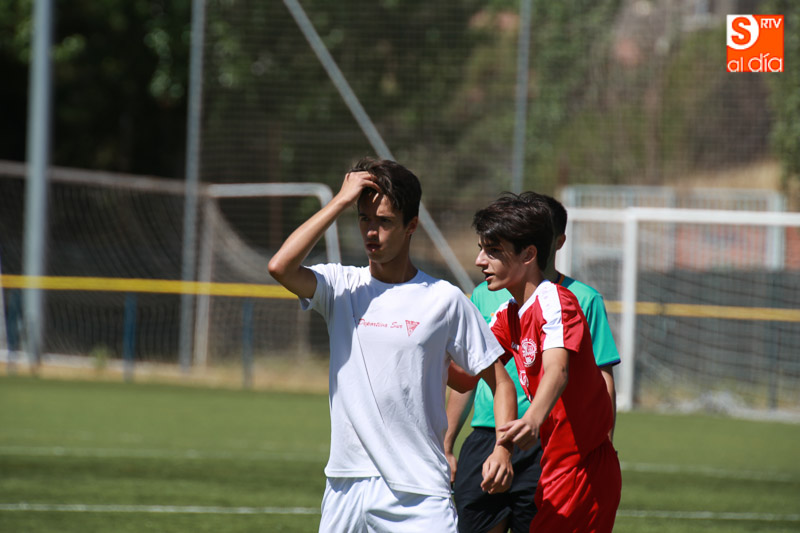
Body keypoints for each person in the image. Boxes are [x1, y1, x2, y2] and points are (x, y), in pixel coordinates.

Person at [267, 157, 518, 533]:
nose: (371, 232)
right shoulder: (341, 286)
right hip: (346, 485)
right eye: (364, 219)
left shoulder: (444, 299)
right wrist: (340, 200)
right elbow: (280, 267)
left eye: (384, 221)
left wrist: (502, 449)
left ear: (411, 226)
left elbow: (501, 383)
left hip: (419, 490)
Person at [444, 194, 621, 533]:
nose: (480, 261)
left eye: (493, 251)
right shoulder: (508, 315)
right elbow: (467, 377)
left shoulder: (557, 301)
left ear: (528, 255)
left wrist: (531, 419)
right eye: (481, 249)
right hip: (555, 463)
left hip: (584, 468)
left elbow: (558, 370)